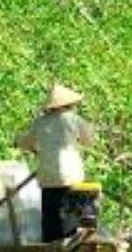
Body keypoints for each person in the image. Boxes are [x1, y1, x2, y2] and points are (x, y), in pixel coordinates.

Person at [16, 83, 95, 242]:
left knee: (51, 220)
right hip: (72, 177)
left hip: (48, 178)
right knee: (71, 219)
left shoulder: (40, 122)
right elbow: (89, 141)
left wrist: (20, 141)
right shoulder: (75, 120)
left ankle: (51, 246)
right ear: (69, 104)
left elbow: (25, 143)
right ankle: (70, 247)